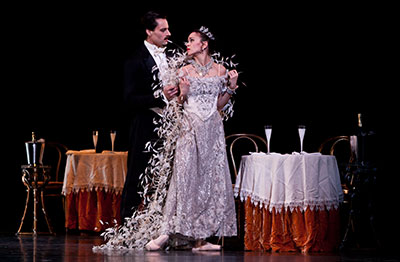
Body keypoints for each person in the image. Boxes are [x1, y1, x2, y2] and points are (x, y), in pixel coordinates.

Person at [145, 26, 239, 251]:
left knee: (208, 181)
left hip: (212, 131)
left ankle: (201, 238)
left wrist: (232, 89)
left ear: (203, 44)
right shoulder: (184, 71)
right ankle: (166, 233)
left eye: (192, 40)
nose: (187, 43)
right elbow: (176, 106)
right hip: (189, 129)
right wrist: (183, 94)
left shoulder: (220, 70)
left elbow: (218, 105)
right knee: (184, 178)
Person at [120, 11, 178, 220]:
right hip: (145, 124)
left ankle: (162, 224)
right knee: (138, 175)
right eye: (163, 30)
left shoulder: (173, 57)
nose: (168, 33)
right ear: (149, 31)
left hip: (172, 125)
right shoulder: (135, 60)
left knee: (168, 175)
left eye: (168, 29)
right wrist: (158, 96)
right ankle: (128, 225)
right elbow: (129, 99)